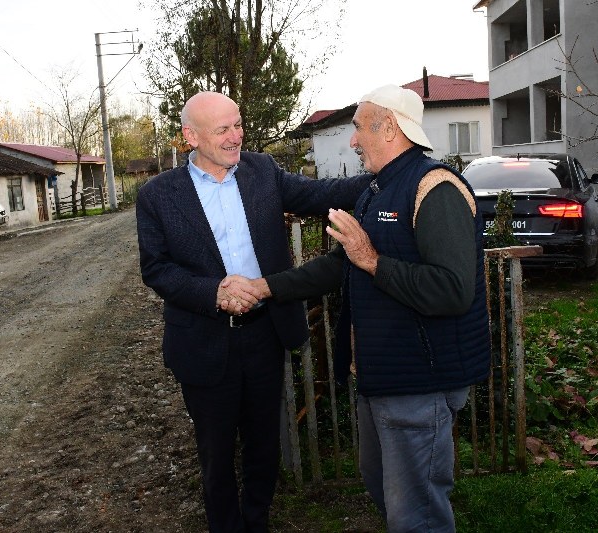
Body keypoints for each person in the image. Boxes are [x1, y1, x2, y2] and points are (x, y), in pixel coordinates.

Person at [223, 85, 491, 532]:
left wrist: (371, 259)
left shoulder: (435, 187)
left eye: (357, 128)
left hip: (420, 381)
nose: (351, 141)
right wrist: (264, 287)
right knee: (380, 484)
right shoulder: (377, 190)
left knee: (417, 512)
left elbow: (452, 290)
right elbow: (338, 266)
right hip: (381, 377)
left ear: (387, 127)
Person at [135, 91, 370, 533]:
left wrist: (391, 174)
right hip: (204, 339)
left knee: (265, 444)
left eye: (238, 125)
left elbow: (323, 194)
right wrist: (214, 290)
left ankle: (257, 519)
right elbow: (157, 269)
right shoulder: (157, 195)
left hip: (265, 332)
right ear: (191, 136)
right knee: (216, 452)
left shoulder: (262, 170)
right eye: (223, 129)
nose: (236, 136)